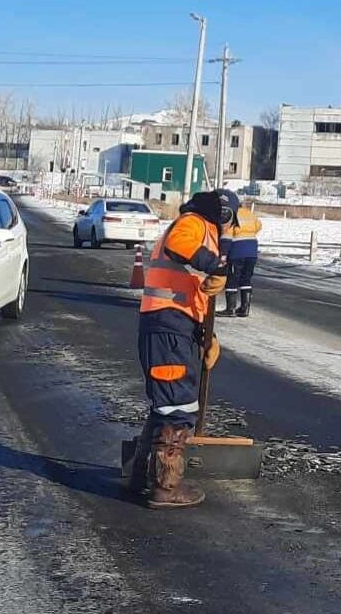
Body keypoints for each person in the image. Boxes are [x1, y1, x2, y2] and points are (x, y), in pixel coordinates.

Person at [127, 189, 240, 509]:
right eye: (229, 223)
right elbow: (180, 245)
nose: (228, 231)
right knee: (177, 407)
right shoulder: (192, 222)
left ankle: (141, 478)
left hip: (175, 327)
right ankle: (165, 487)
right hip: (167, 327)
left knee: (166, 406)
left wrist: (204, 336)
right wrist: (214, 264)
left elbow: (193, 290)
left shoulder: (203, 229)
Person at [217, 202, 262, 318]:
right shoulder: (250, 214)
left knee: (232, 278)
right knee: (246, 278)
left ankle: (230, 309)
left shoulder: (231, 214)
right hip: (252, 250)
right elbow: (258, 226)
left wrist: (223, 254)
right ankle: (244, 309)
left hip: (237, 251)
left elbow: (227, 237)